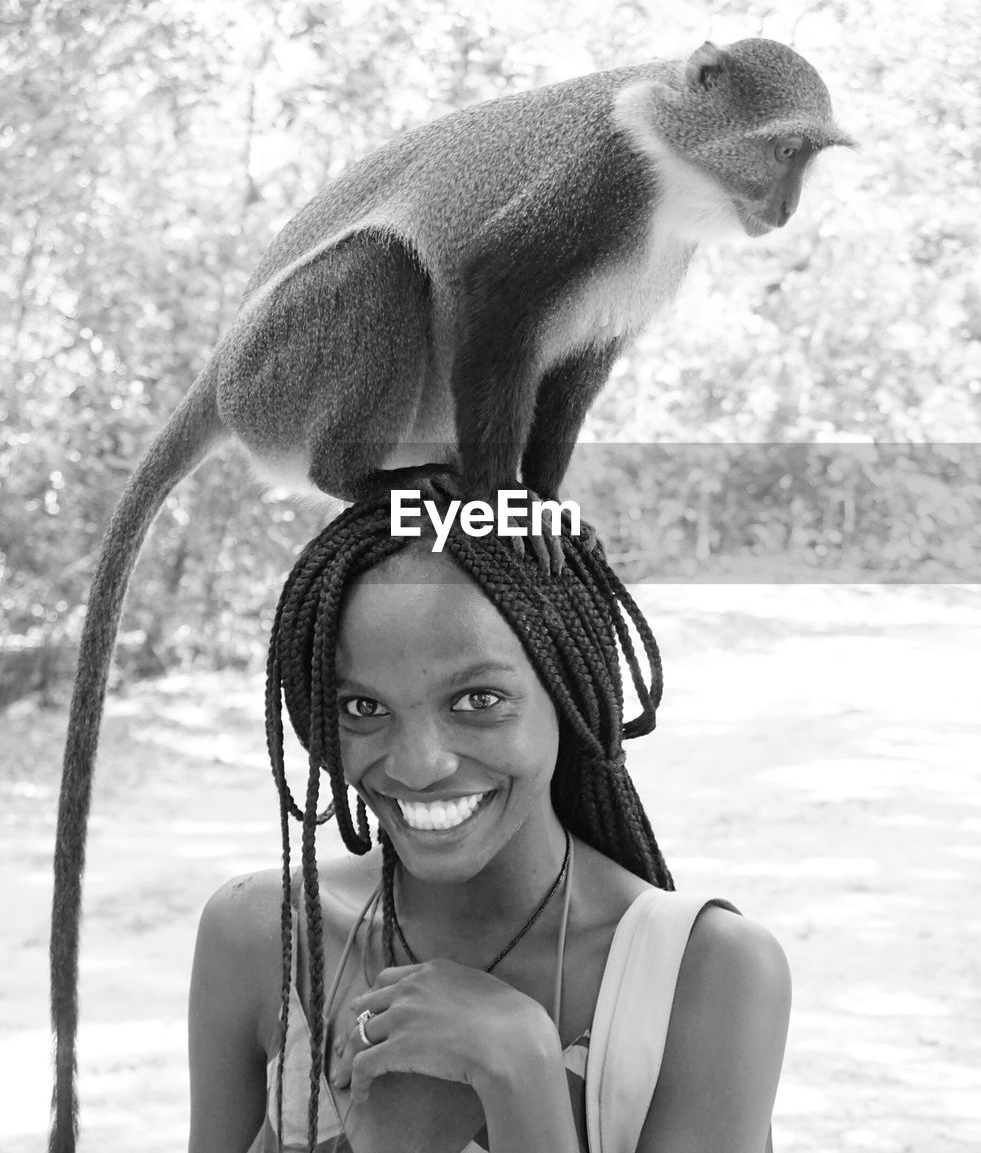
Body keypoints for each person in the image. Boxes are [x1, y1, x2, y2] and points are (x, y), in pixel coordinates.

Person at [187, 492, 791, 1153]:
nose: (419, 765)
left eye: (477, 700)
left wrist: (519, 1068)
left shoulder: (708, 973)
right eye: (363, 706)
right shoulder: (264, 935)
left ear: (570, 693)